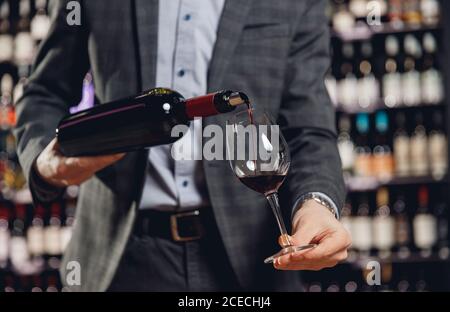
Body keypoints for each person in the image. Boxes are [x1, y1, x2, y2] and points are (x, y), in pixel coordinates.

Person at [13, 0, 351, 291]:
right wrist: (45, 163)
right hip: (121, 257)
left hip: (251, 262)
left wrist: (315, 203)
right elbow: (44, 92)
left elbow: (309, 129)